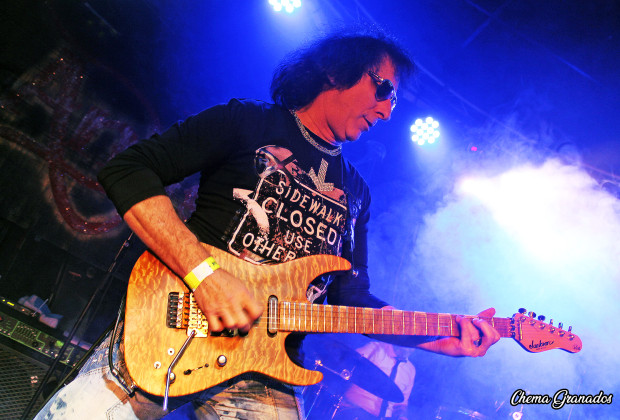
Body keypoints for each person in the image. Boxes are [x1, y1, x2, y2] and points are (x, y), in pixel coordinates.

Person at [35, 27, 500, 420]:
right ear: (336, 71)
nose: (388, 110)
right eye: (384, 90)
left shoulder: (356, 193)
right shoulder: (247, 122)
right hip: (175, 325)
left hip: (268, 367)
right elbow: (128, 170)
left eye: (395, 100)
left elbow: (351, 300)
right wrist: (205, 275)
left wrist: (440, 336)